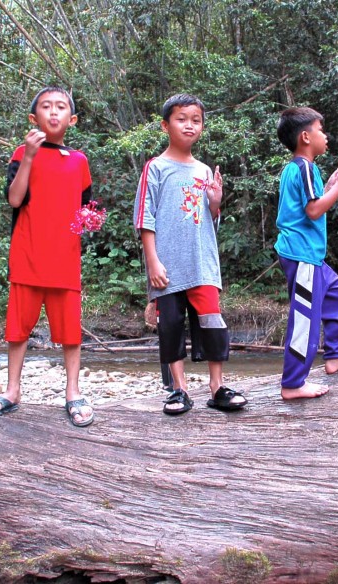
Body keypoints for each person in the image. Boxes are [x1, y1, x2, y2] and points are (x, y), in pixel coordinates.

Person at [0, 86, 95, 427]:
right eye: (46, 107)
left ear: (72, 120)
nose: (53, 112)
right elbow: (15, 199)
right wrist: (28, 155)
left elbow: (85, 209)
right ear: (34, 118)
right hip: (27, 255)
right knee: (18, 329)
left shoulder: (79, 162)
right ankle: (12, 391)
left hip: (65, 259)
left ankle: (73, 392)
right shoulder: (21, 154)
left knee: (70, 332)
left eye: (61, 108)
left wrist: (90, 219)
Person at [133, 93, 247, 416]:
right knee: (170, 324)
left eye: (195, 120)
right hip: (167, 266)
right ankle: (178, 390)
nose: (189, 126)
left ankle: (217, 387)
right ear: (165, 125)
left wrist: (215, 201)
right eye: (181, 119)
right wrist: (152, 261)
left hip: (202, 264)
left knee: (213, 321)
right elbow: (145, 218)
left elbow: (212, 220)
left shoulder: (204, 171)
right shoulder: (155, 168)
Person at [274, 107, 338, 401]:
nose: (325, 136)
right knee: (305, 318)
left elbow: (312, 202)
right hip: (301, 254)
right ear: (305, 137)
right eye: (321, 130)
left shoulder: (301, 169)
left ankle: (335, 356)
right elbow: (313, 211)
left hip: (309, 255)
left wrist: (332, 185)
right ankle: (292, 383)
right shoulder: (302, 167)